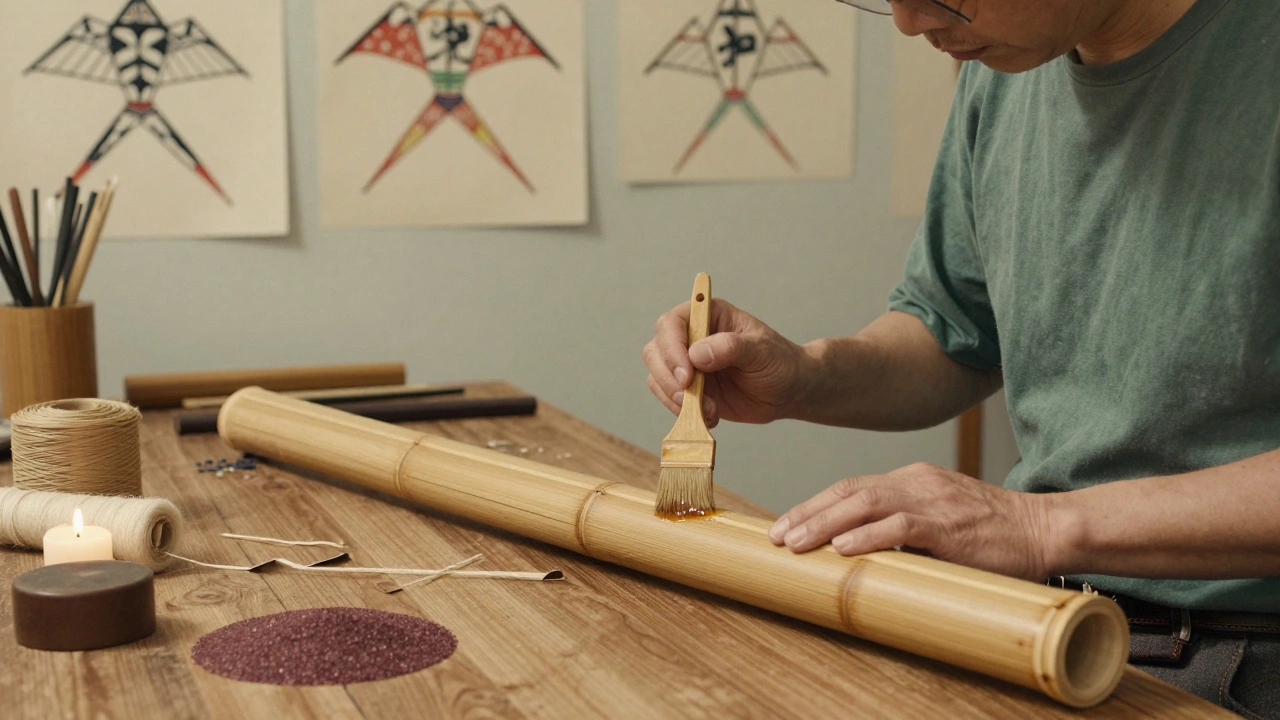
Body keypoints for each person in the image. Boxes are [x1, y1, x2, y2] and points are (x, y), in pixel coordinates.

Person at [642, 0, 1280, 715]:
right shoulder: (1009, 64)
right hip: (1031, 622)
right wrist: (805, 376)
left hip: (1244, 651)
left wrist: (1035, 527)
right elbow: (953, 333)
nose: (910, 24)